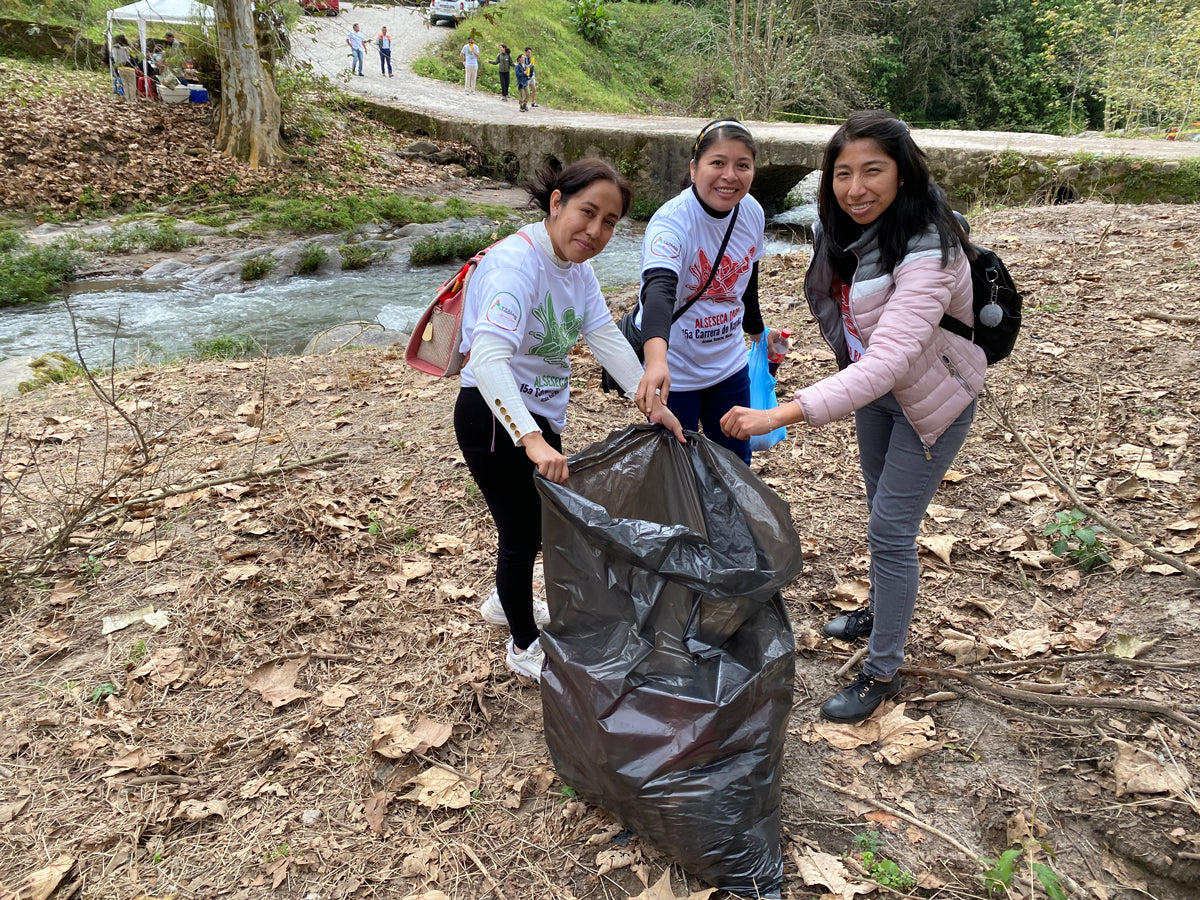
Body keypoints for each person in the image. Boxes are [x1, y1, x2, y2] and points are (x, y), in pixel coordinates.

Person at [720, 110, 985, 724]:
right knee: (878, 513)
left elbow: (891, 359)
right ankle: (882, 607)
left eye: (873, 171)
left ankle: (883, 668)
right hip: (877, 393)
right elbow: (844, 311)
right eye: (843, 173)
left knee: (891, 531)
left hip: (932, 399)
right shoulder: (839, 229)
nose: (856, 188)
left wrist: (783, 412)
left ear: (903, 173)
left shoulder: (932, 247)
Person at [455, 158, 685, 679]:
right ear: (557, 202)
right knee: (520, 533)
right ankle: (521, 644)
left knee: (536, 527)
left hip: (537, 414)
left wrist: (653, 405)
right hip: (495, 418)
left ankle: (500, 602)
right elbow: (488, 360)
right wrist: (532, 439)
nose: (596, 231)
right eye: (587, 212)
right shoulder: (517, 266)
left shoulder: (575, 268)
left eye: (609, 222)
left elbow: (603, 334)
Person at [631, 118, 778, 466]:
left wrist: (757, 330)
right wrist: (656, 363)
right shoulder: (671, 223)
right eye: (718, 163)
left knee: (735, 464)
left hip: (728, 364)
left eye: (742, 165)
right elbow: (659, 292)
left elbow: (748, 276)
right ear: (695, 168)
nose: (730, 175)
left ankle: (730, 522)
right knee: (676, 470)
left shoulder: (752, 212)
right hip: (675, 369)